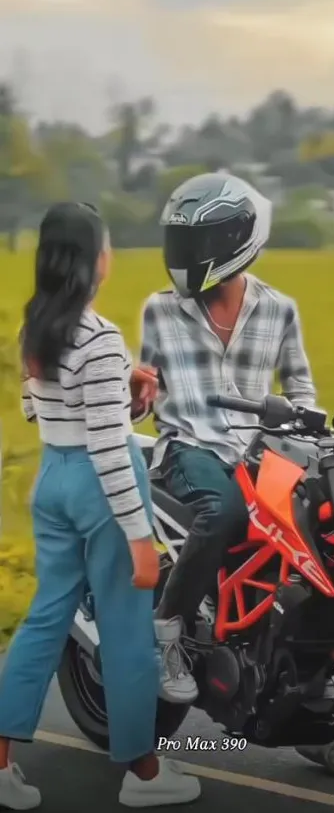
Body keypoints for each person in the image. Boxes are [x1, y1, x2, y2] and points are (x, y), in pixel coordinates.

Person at [133, 172, 334, 777]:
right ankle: (167, 635)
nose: (185, 254)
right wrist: (136, 397)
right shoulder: (161, 309)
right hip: (190, 447)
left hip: (259, 454)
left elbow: (301, 387)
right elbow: (150, 393)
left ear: (235, 239)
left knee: (325, 544)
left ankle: (327, 705)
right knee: (221, 512)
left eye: (195, 240)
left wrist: (308, 428)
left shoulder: (279, 309)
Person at [0, 202, 201, 810]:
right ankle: (143, 776)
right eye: (107, 246)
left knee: (44, 620)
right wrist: (141, 538)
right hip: (102, 488)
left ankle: (2, 764)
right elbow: (112, 447)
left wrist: (124, 390)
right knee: (127, 633)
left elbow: (43, 411)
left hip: (55, 479)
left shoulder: (35, 329)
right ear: (93, 262)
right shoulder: (102, 337)